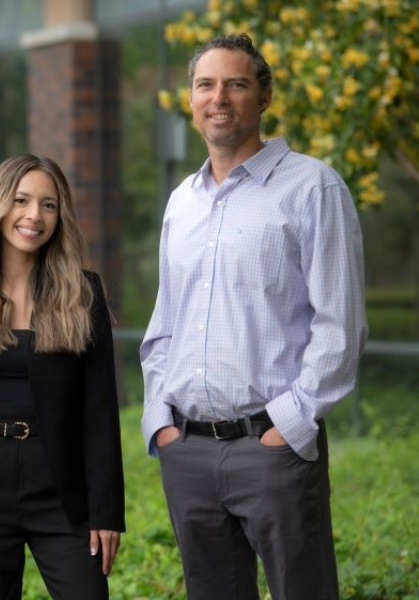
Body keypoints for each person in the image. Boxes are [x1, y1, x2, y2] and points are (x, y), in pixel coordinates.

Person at [140, 33, 367, 600]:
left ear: (263, 97)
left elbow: (340, 324)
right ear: (191, 100)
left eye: (236, 84)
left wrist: (288, 425)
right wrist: (160, 422)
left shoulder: (312, 187)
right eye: (205, 85)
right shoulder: (181, 202)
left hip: (271, 449)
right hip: (186, 450)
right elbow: (165, 322)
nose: (219, 98)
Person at [0, 153, 125, 600]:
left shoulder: (83, 293)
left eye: (49, 205)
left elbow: (99, 410)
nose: (34, 216)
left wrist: (107, 511)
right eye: (21, 200)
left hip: (60, 483)